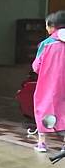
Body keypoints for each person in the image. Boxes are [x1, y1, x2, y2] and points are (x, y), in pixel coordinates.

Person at [32, 10, 65, 152]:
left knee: (44, 108)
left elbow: (36, 67)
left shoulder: (46, 43)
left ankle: (42, 144)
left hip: (48, 85)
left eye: (46, 25)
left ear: (52, 26)